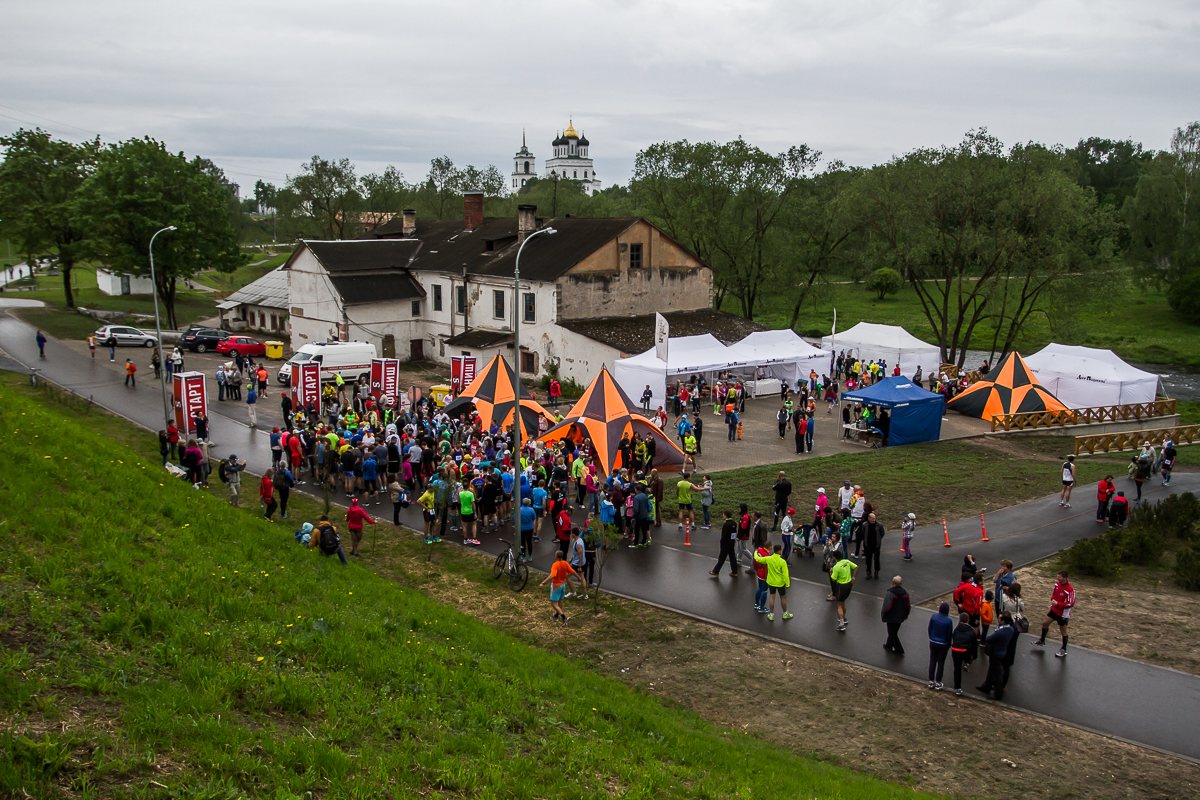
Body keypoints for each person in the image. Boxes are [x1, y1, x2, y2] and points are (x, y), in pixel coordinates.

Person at [1033, 569, 1075, 658]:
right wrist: (1052, 599)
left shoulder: (1070, 590)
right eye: (1057, 576)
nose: (1058, 578)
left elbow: (1070, 603)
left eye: (1059, 577)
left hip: (1063, 613)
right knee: (1045, 623)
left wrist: (1058, 604)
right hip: (1054, 610)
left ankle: (1064, 649)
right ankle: (1042, 640)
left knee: (1062, 630)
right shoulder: (1057, 584)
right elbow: (1054, 593)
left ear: (1065, 578)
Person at [977, 613, 1017, 700]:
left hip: (996, 653)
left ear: (1003, 621)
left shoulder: (1001, 632)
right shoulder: (1010, 630)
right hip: (1002, 652)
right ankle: (986, 686)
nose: (998, 619)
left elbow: (988, 639)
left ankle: (998, 694)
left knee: (997, 674)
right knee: (991, 670)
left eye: (1000, 618)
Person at [538, 550, 578, 625]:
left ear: (556, 556)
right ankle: (556, 615)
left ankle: (563, 617)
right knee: (560, 601)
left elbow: (552, 575)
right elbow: (572, 571)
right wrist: (579, 577)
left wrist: (543, 583)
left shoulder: (555, 565)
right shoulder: (565, 563)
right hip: (563, 585)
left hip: (556, 585)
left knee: (553, 603)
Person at [754, 544, 793, 621]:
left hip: (771, 582)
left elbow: (758, 559)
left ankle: (771, 614)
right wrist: (787, 584)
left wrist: (755, 552)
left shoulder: (768, 558)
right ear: (779, 550)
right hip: (780, 583)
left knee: (772, 597)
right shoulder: (782, 561)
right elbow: (785, 574)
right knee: (783, 598)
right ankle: (785, 613)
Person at [949, 612, 978, 696]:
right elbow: (974, 646)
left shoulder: (957, 629)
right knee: (967, 656)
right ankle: (966, 663)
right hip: (965, 651)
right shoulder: (971, 631)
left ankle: (958, 688)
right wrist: (974, 657)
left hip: (955, 650)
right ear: (968, 620)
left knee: (957, 669)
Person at [880, 575, 910, 654]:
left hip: (891, 616)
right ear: (901, 583)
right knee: (894, 631)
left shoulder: (890, 593)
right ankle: (888, 645)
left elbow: (887, 606)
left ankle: (899, 650)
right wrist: (906, 614)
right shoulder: (905, 594)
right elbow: (908, 606)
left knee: (892, 633)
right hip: (900, 616)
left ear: (893, 583)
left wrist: (883, 612)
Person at [927, 602, 954, 690]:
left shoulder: (934, 617)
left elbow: (929, 628)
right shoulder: (949, 621)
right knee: (941, 662)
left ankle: (931, 681)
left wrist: (931, 637)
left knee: (932, 661)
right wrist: (948, 644)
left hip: (933, 641)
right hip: (943, 644)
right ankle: (938, 682)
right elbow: (949, 634)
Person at [829, 554, 858, 631]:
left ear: (834, 557)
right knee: (843, 601)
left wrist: (831, 572)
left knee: (838, 604)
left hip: (841, 586)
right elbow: (856, 567)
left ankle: (841, 624)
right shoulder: (846, 561)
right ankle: (844, 618)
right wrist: (854, 577)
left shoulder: (836, 567)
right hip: (849, 585)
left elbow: (833, 579)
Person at [710, 510, 740, 578]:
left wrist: (722, 543)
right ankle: (734, 572)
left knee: (721, 558)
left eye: (723, 515)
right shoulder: (734, 523)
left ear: (726, 516)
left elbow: (724, 535)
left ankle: (715, 571)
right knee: (732, 558)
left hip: (726, 544)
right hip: (732, 542)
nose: (723, 516)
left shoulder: (726, 524)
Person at [861, 511, 885, 579]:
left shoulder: (879, 525)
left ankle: (876, 572)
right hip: (868, 545)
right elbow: (863, 533)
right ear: (868, 518)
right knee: (868, 559)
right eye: (872, 518)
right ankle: (868, 572)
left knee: (876, 559)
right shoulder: (865, 525)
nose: (873, 520)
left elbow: (882, 533)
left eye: (874, 518)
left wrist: (878, 540)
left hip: (876, 545)